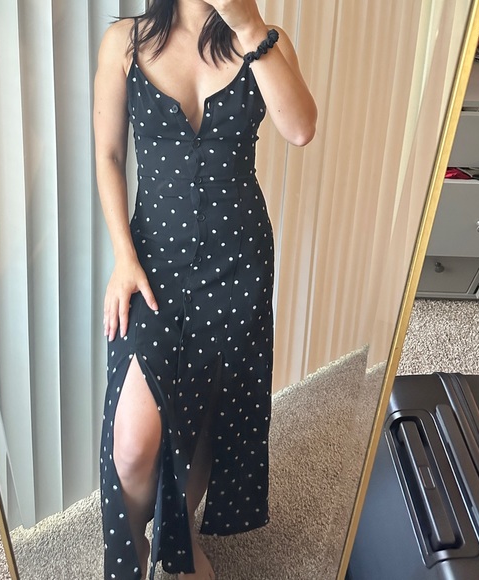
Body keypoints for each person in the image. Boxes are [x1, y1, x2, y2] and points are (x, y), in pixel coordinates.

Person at [93, 1, 316, 578]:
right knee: (133, 441)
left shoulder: (263, 40)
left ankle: (181, 537)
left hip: (238, 263)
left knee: (204, 421)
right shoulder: (125, 42)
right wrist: (122, 257)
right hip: (151, 264)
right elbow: (109, 155)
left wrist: (248, 27)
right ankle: (135, 552)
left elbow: (300, 129)